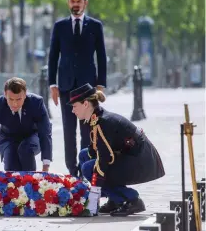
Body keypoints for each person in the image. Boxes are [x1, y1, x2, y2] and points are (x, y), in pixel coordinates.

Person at [68, 83, 165, 217]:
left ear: (85, 104)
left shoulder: (103, 122)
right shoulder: (96, 117)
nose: (72, 111)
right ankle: (114, 200)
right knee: (84, 155)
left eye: (74, 106)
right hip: (133, 155)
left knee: (89, 168)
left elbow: (103, 160)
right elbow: (96, 148)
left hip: (141, 160)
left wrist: (94, 194)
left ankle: (131, 199)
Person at [48, 0, 107, 177]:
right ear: (68, 3)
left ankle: (85, 168)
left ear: (85, 3)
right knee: (68, 131)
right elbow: (52, 57)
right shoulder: (59, 26)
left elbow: (102, 56)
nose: (75, 4)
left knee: (87, 131)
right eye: (72, 1)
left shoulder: (96, 26)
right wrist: (52, 85)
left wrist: (100, 86)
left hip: (88, 89)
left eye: (79, 1)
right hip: (65, 86)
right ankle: (72, 171)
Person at [0, 77, 52, 172]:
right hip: (8, 138)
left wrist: (46, 166)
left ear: (25, 94)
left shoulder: (36, 103)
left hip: (32, 136)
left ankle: (31, 180)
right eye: (11, 99)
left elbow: (45, 133)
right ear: (5, 95)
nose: (15, 104)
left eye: (19, 99)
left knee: (25, 149)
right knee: (11, 162)